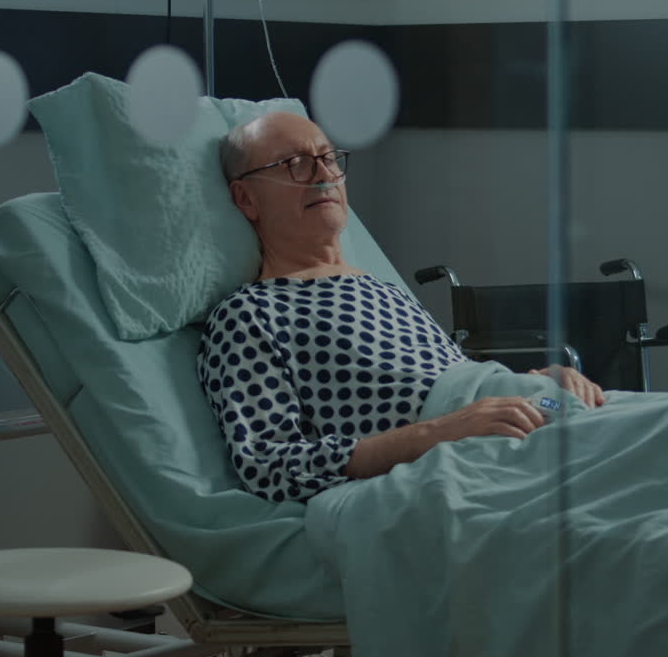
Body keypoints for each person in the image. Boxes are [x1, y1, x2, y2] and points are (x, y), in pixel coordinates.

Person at [197, 112, 605, 502]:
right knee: (657, 441)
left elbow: (454, 383)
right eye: (294, 163)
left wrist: (539, 381)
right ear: (246, 198)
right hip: (464, 447)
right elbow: (270, 466)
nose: (323, 175)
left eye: (327, 158)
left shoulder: (384, 290)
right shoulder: (250, 313)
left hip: (533, 405)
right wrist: (438, 432)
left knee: (646, 419)